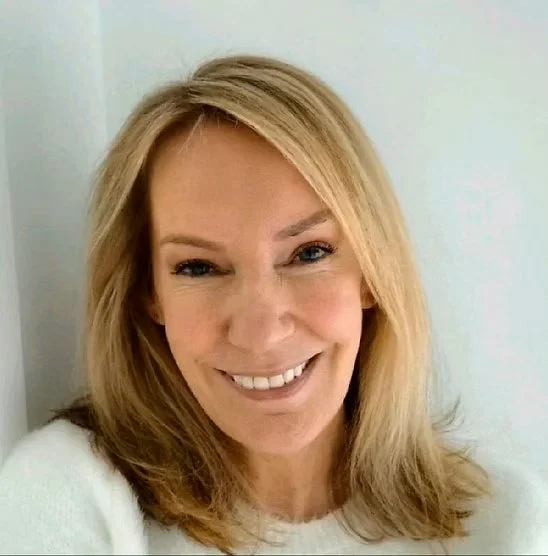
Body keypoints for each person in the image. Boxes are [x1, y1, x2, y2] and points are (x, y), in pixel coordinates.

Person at [0, 54, 547, 555]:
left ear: (371, 272)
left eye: (309, 254)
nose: (261, 332)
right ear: (150, 294)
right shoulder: (70, 494)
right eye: (199, 267)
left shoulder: (504, 523)